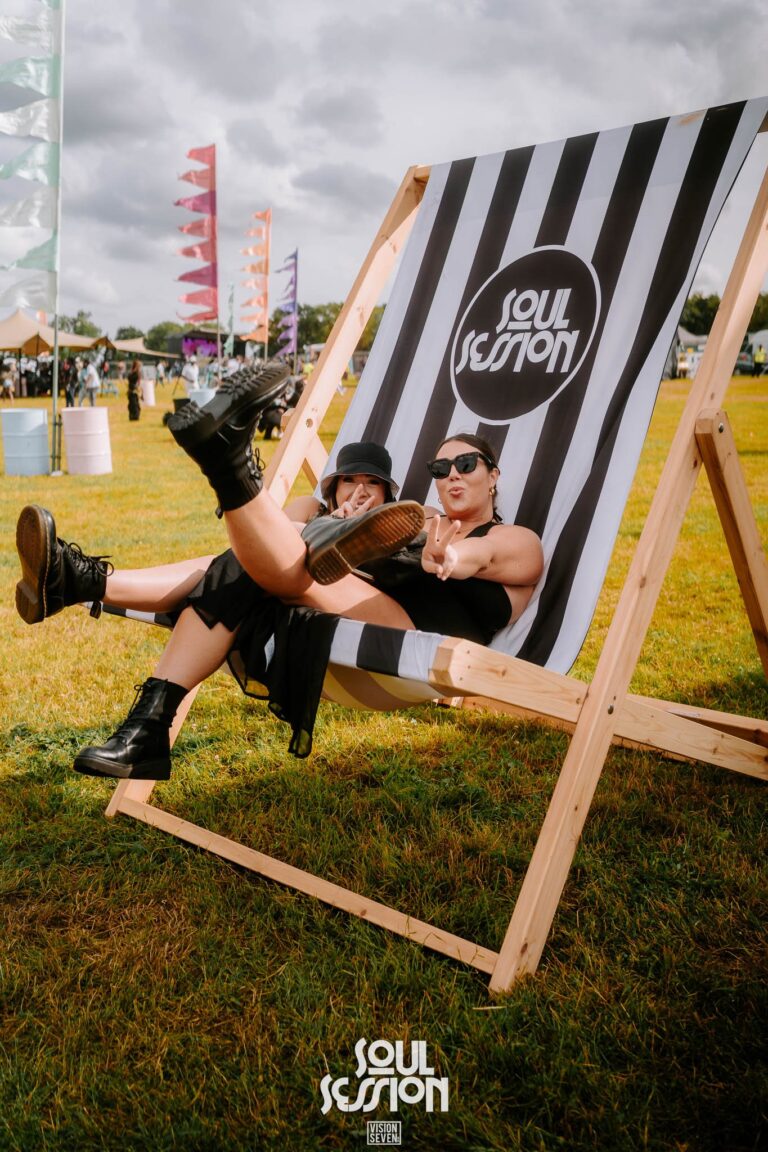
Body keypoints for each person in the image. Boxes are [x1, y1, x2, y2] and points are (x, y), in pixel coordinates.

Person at [15, 364, 543, 779]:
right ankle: (143, 721)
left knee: (274, 569)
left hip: (420, 635)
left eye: (466, 465)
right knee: (246, 569)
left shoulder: (515, 538)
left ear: (493, 475)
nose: (451, 475)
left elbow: (481, 557)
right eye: (440, 468)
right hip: (354, 602)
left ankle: (98, 574)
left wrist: (449, 558)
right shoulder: (422, 518)